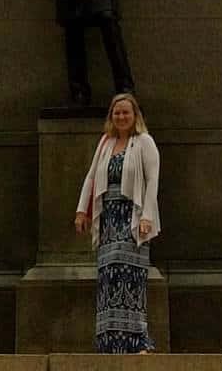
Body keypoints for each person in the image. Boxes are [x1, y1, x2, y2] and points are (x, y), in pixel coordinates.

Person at [74, 91, 160, 353]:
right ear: (112, 116)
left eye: (126, 112)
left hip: (131, 218)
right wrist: (82, 211)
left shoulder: (144, 142)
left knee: (129, 276)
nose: (121, 117)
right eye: (117, 112)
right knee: (109, 276)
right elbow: (91, 178)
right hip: (109, 219)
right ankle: (110, 343)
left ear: (135, 116)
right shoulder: (105, 143)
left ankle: (137, 342)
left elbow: (152, 180)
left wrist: (147, 216)